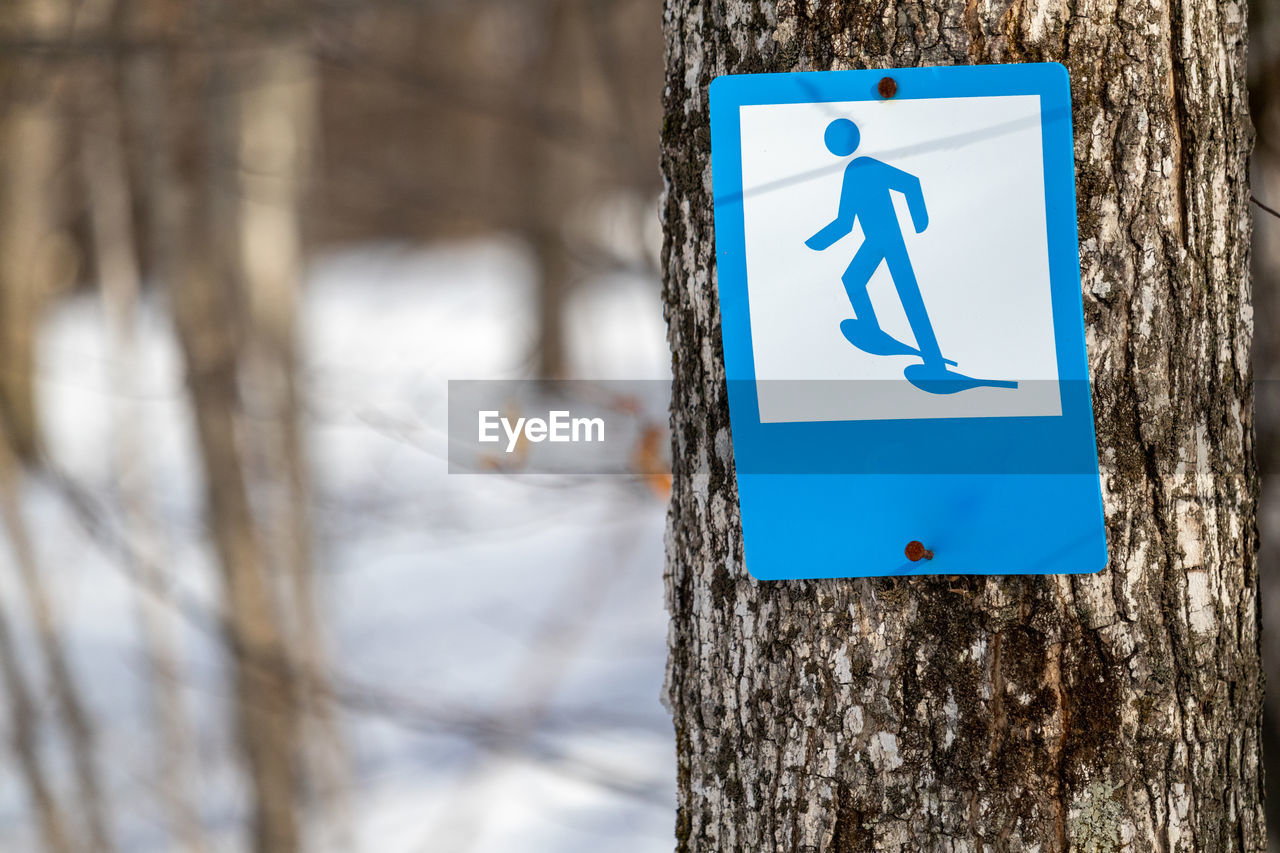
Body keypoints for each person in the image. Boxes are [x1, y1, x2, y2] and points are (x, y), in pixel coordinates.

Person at [806, 117, 1015, 393]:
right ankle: (872, 329)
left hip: (891, 241)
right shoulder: (853, 172)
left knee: (909, 298)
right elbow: (845, 222)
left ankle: (935, 366)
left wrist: (920, 222)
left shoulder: (865, 166)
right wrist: (814, 244)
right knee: (853, 280)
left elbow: (910, 183)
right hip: (874, 241)